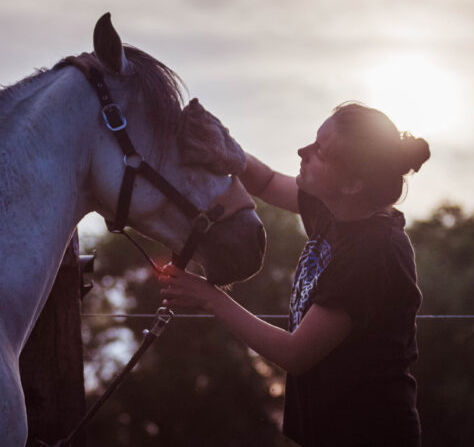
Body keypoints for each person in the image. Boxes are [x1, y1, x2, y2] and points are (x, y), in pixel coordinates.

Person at [158, 100, 430, 447]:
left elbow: (295, 354)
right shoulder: (334, 208)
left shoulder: (375, 254)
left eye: (320, 152)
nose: (303, 151)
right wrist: (228, 152)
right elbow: (267, 182)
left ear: (352, 184)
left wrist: (209, 298)